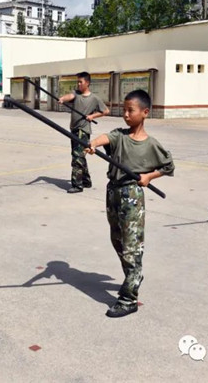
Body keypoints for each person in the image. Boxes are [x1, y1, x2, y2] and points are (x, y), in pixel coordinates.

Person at [86, 90, 174, 318]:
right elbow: (105, 137)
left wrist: (149, 177)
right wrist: (93, 144)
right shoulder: (120, 135)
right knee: (117, 239)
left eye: (130, 110)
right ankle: (133, 274)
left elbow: (168, 166)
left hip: (132, 195)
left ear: (145, 113)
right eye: (124, 110)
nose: (125, 114)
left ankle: (128, 299)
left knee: (131, 246)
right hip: (113, 192)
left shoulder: (151, 144)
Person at [58, 72, 109, 193]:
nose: (79, 84)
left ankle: (77, 185)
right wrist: (62, 99)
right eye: (78, 82)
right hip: (74, 129)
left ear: (87, 83)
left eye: (81, 82)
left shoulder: (94, 98)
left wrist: (92, 116)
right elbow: (70, 96)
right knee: (79, 156)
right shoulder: (77, 94)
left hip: (83, 130)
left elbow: (106, 111)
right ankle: (86, 181)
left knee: (77, 157)